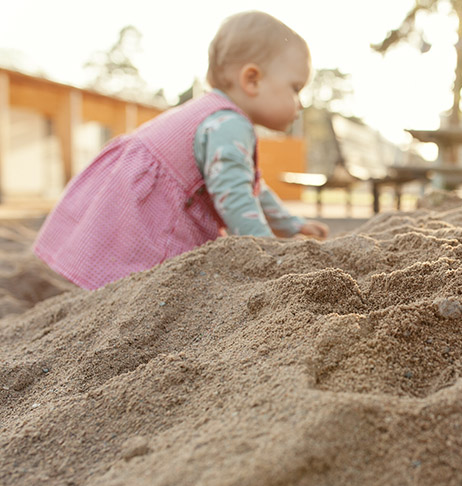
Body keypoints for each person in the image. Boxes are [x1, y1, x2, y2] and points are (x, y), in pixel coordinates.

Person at [34, 11, 329, 290]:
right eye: (295, 88)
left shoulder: (216, 115)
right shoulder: (228, 124)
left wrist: (291, 225)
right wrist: (269, 254)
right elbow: (236, 200)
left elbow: (250, 188)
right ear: (252, 80)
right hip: (150, 223)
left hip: (125, 209)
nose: (300, 104)